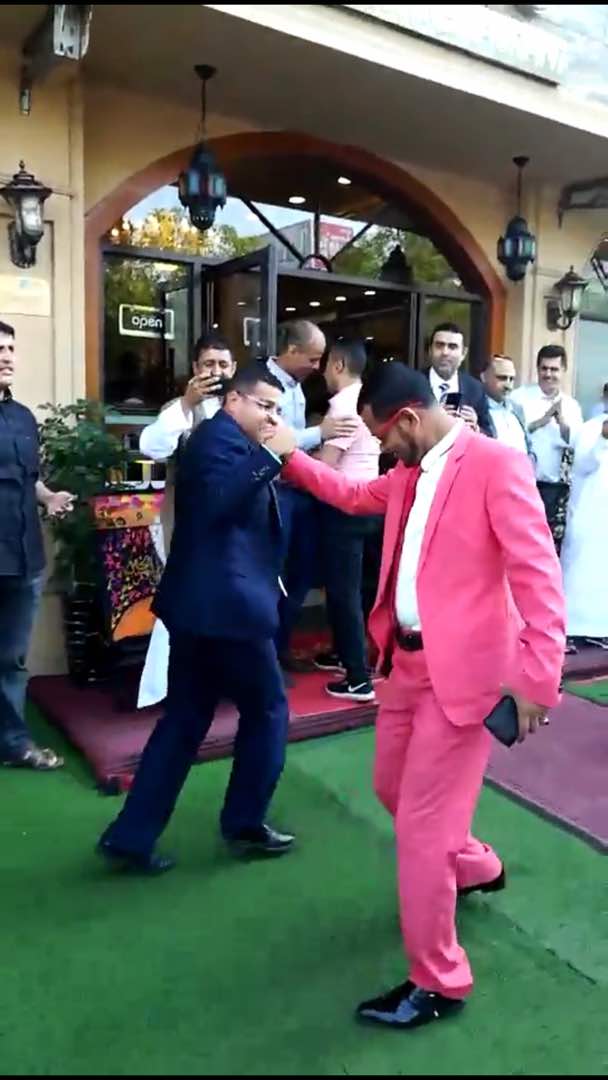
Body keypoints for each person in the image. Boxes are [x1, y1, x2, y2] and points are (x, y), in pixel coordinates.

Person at [267, 362, 565, 1031]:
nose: (383, 450)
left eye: (384, 437)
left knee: (423, 835)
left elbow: (537, 573)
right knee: (390, 789)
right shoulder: (406, 473)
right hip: (402, 667)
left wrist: (538, 679)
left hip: (465, 680)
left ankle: (440, 980)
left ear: (407, 418)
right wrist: (290, 456)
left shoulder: (495, 465)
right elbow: (351, 495)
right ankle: (477, 865)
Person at [97, 363, 295, 873]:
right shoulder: (213, 440)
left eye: (277, 410)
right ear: (234, 401)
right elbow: (219, 504)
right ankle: (244, 823)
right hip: (227, 611)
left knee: (185, 720)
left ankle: (131, 835)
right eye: (265, 406)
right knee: (268, 710)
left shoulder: (232, 441)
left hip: (206, 609)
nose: (272, 417)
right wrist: (271, 456)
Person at [137, 332, 236, 708]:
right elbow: (152, 447)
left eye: (223, 364)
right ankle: (170, 688)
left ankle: (223, 681)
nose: (216, 371)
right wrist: (186, 404)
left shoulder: (243, 405)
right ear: (195, 368)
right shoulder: (178, 408)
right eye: (209, 364)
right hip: (188, 526)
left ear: (234, 368)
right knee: (181, 606)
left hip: (233, 526)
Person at [0, 320, 74, 770]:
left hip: (24, 556)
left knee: (12, 659)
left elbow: (28, 478)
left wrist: (48, 497)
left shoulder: (24, 417)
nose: (6, 356)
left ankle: (13, 744)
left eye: (10, 348)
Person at [266, 321, 358, 674]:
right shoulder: (263, 383)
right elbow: (274, 439)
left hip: (300, 492)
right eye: (313, 359)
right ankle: (267, 656)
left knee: (301, 573)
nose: (318, 368)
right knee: (273, 574)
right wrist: (319, 432)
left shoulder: (298, 387)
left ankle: (281, 646)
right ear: (292, 351)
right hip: (275, 492)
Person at [313, 339, 380, 701]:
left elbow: (325, 466)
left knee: (344, 593)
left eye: (325, 364)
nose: (322, 372)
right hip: (372, 501)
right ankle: (349, 654)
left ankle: (357, 677)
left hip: (345, 507)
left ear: (338, 365)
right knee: (365, 589)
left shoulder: (342, 405)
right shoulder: (369, 400)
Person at [511, 344, 583, 553]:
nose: (548, 374)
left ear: (563, 370)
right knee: (519, 541)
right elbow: (510, 435)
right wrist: (541, 421)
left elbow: (577, 444)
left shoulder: (571, 406)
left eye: (554, 369)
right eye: (544, 368)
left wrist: (562, 423)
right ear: (537, 369)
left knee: (546, 546)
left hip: (554, 488)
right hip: (521, 483)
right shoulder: (519, 398)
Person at [561, 414, 608, 648]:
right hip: (589, 514)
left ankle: (601, 629)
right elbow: (582, 464)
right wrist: (603, 438)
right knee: (582, 569)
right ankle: (575, 628)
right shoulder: (591, 428)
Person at [423, 322, 493, 437]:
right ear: (430, 350)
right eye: (439, 345)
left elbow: (490, 435)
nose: (445, 352)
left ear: (463, 354)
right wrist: (435, 421)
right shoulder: (414, 383)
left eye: (452, 347)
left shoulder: (475, 389)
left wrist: (476, 428)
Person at [481, 354, 533, 456]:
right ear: (484, 377)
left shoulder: (517, 409)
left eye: (511, 379)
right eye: (502, 378)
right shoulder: (476, 409)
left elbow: (529, 446)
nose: (508, 385)